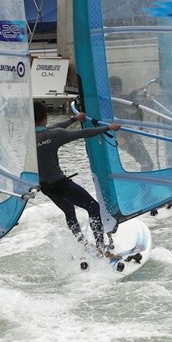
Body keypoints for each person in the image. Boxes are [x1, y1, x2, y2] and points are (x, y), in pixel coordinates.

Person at [34, 102, 120, 251]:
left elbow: (53, 128)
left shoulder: (30, 139)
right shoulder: (53, 135)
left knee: (69, 211)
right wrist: (108, 128)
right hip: (60, 184)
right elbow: (82, 134)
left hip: (45, 187)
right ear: (46, 116)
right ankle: (101, 249)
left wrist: (74, 119)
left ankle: (83, 245)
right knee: (93, 207)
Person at [108, 76, 155, 171]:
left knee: (148, 163)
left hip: (129, 135)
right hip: (125, 137)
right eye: (114, 92)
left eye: (117, 91)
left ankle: (144, 184)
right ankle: (144, 185)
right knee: (148, 164)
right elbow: (130, 110)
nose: (117, 94)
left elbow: (128, 99)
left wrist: (138, 91)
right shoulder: (111, 103)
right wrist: (145, 102)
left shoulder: (115, 99)